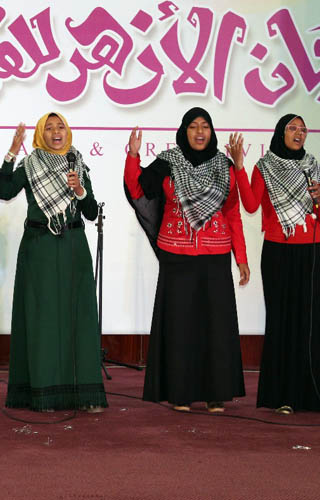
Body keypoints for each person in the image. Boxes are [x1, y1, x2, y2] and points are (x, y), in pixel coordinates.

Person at [123, 107, 249, 413]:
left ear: (211, 131)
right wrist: (133, 156)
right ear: (184, 131)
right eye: (193, 126)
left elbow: (232, 212)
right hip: (177, 256)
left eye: (205, 126)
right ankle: (180, 393)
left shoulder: (225, 166)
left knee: (216, 329)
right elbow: (137, 188)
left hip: (215, 256)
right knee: (179, 328)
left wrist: (241, 257)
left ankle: (215, 393)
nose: (200, 132)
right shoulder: (167, 163)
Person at [0, 112, 108, 412]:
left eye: (60, 127)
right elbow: (4, 191)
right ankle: (44, 393)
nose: (56, 132)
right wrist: (11, 153)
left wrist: (80, 190)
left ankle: (84, 394)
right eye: (49, 128)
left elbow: (91, 212)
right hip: (40, 247)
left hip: (73, 246)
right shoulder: (30, 164)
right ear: (40, 134)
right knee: (42, 318)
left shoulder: (77, 163)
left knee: (78, 319)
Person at [230, 114, 320, 414]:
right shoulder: (265, 166)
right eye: (293, 128)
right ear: (281, 132)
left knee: (311, 322)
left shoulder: (312, 167)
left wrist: (318, 200)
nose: (299, 133)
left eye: (303, 129)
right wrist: (239, 167)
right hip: (278, 252)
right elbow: (251, 204)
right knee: (283, 322)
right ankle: (283, 396)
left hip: (312, 251)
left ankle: (313, 395)